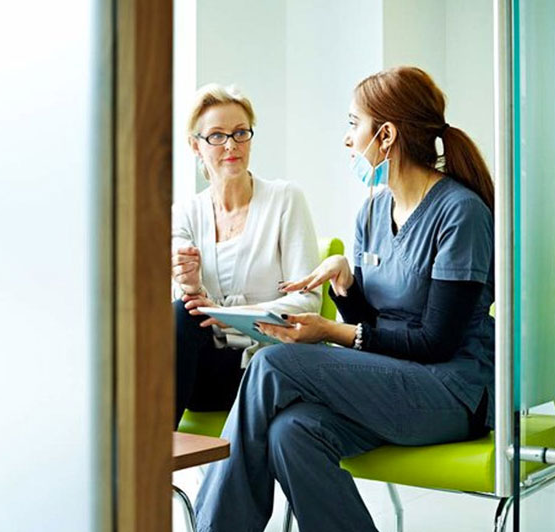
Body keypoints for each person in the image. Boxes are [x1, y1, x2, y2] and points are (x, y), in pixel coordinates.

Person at [193, 66, 495, 532]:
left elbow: (436, 341)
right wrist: (347, 289)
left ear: (387, 134)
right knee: (291, 433)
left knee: (271, 364)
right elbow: (379, 326)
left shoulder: (460, 212)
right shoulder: (372, 211)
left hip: (451, 394)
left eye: (354, 123)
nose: (347, 138)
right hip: (392, 385)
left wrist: (333, 329)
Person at [172, 83, 322, 428]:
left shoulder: (285, 199)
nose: (231, 145)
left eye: (241, 133)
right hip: (203, 375)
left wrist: (233, 316)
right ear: (195, 145)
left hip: (267, 367)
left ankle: (147, 467)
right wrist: (191, 286)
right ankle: (149, 465)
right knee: (180, 312)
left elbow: (308, 302)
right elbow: (185, 317)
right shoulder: (185, 213)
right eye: (217, 136)